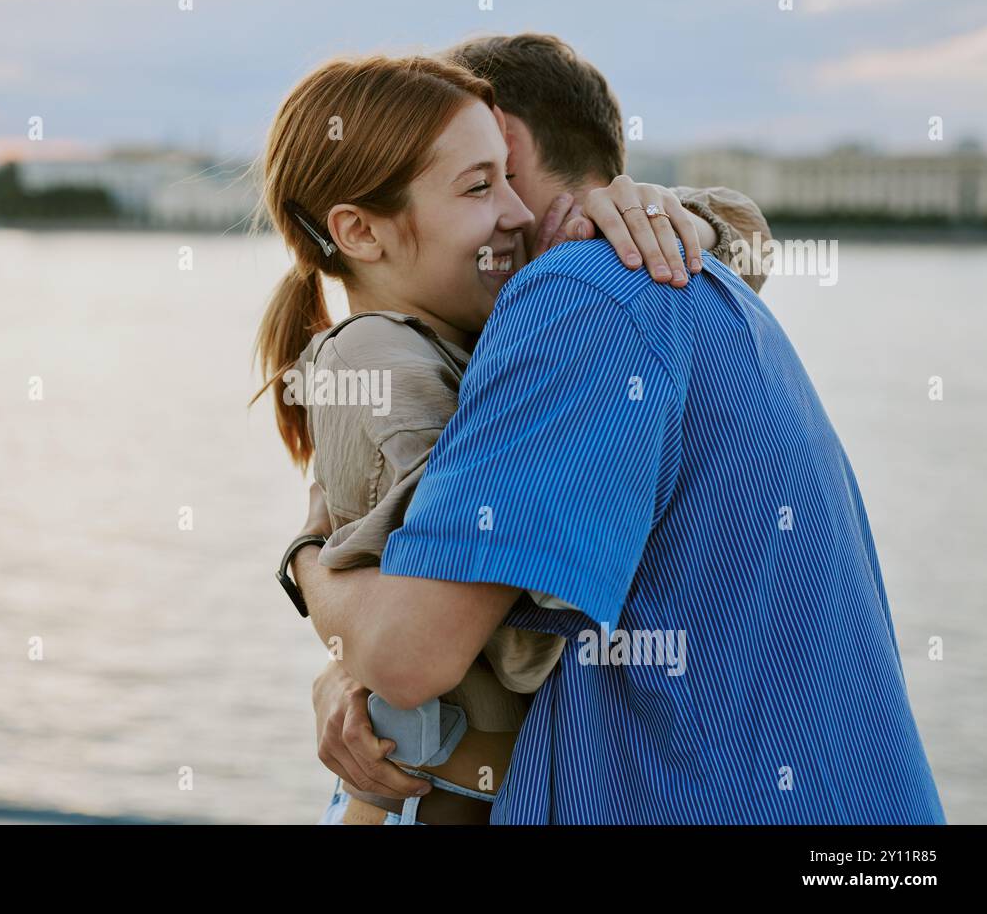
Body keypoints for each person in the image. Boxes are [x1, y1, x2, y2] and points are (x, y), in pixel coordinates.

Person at [282, 51, 947, 824]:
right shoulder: (689, 284)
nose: (512, 213)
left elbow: (410, 650)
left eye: (495, 173)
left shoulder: (577, 300)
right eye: (473, 182)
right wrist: (347, 667)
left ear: (510, 137)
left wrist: (309, 565)